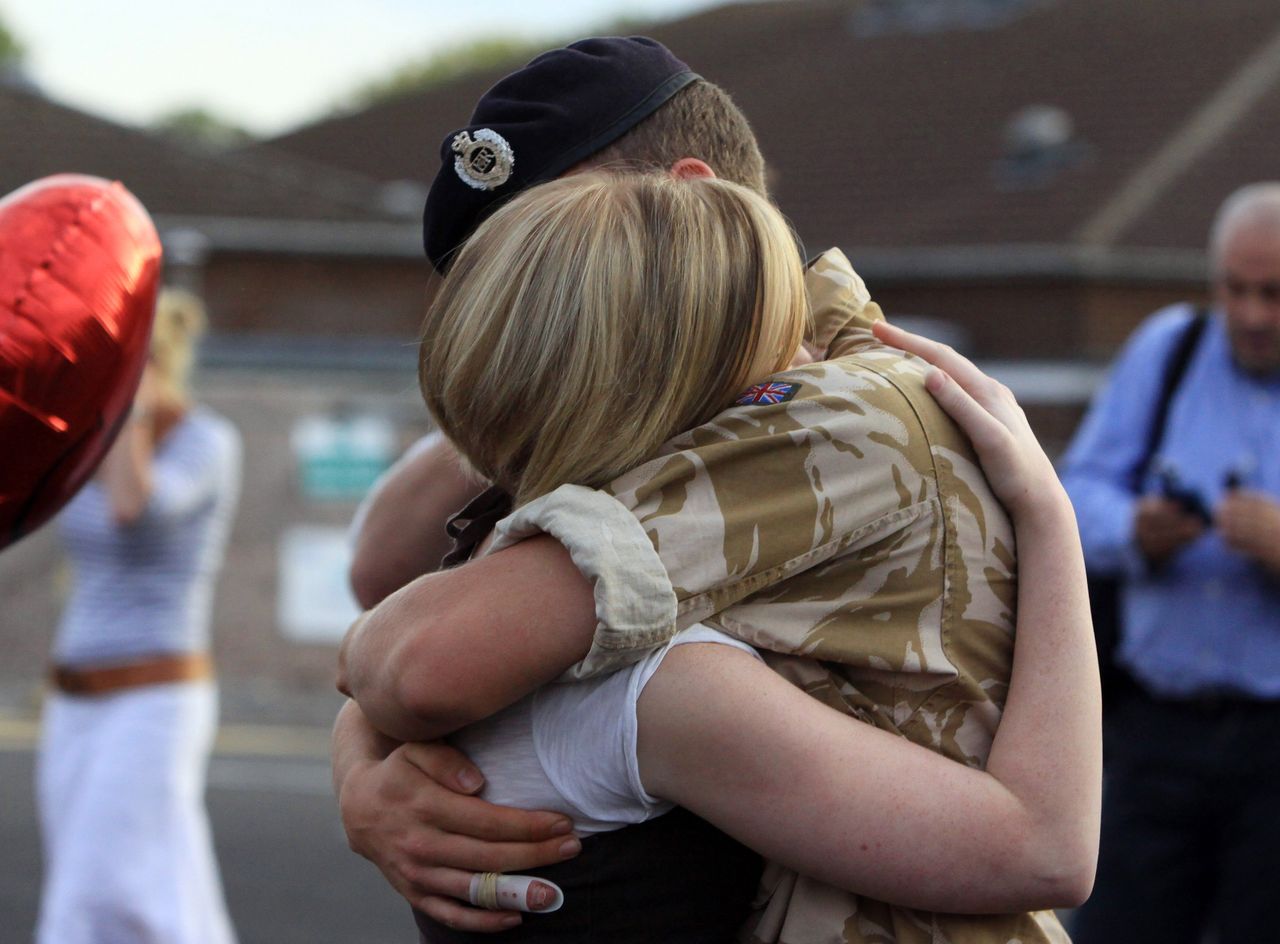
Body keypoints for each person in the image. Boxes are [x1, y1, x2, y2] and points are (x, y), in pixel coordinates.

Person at [334, 37, 1098, 943]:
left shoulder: (816, 419)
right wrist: (364, 774)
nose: (520, 289)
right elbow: (392, 584)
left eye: (546, 257)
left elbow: (423, 657)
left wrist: (364, 764)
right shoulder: (684, 411)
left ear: (687, 201)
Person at [1063, 183, 1280, 944]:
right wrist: (1135, 529)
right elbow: (1073, 496)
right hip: (1156, 737)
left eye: (1274, 294)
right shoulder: (1170, 350)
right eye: (1236, 290)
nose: (1252, 315)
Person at [35, 288, 243, 944]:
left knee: (104, 890)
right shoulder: (93, 448)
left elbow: (134, 507)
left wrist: (129, 413)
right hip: (73, 703)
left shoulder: (207, 442)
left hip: (153, 700)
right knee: (159, 882)